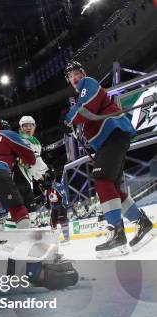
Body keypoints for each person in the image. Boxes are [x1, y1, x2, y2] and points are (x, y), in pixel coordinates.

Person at [64, 61, 154, 256]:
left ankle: (117, 233)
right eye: (71, 76)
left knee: (102, 180)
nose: (75, 77)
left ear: (83, 73)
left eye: (77, 73)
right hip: (112, 139)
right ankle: (142, 222)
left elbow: (88, 106)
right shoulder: (80, 96)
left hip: (114, 133)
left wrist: (69, 118)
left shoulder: (88, 84)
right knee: (112, 188)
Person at [13, 116, 49, 213]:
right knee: (18, 209)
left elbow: (32, 165)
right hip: (17, 177)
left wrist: (40, 177)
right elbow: (29, 161)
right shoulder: (18, 139)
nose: (28, 128)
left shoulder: (37, 142)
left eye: (30, 125)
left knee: (31, 211)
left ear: (34, 127)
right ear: (21, 128)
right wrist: (46, 173)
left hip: (28, 179)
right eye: (25, 126)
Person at [46, 176, 70, 243]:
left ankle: (66, 238)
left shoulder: (58, 186)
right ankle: (54, 240)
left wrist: (64, 205)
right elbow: (49, 198)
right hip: (53, 207)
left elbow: (64, 195)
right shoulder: (48, 188)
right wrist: (47, 203)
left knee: (63, 221)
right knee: (53, 223)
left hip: (60, 205)